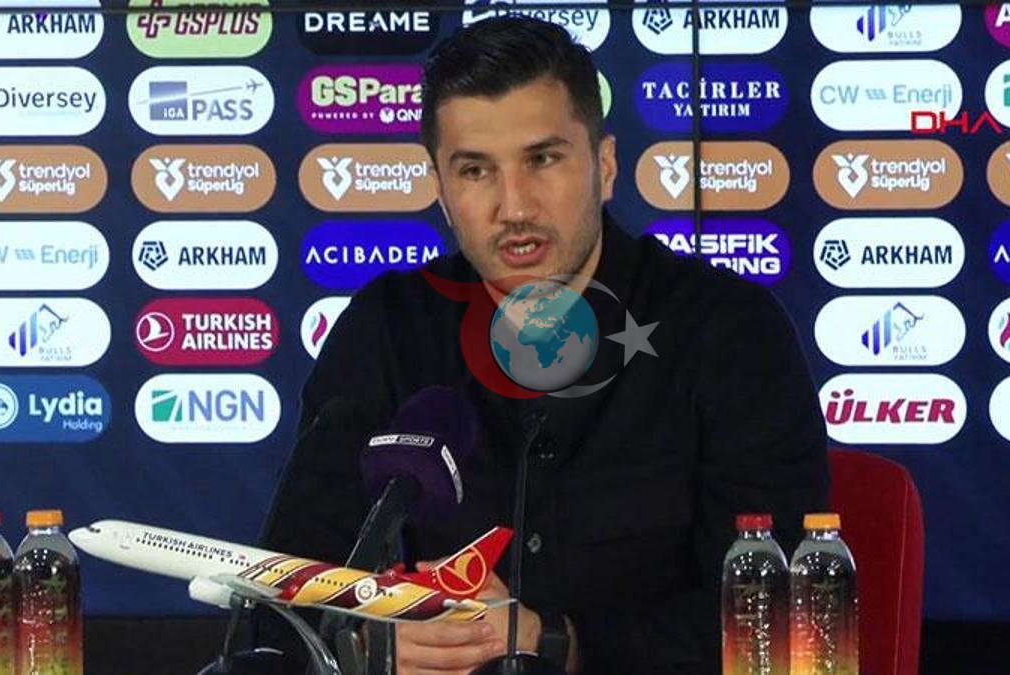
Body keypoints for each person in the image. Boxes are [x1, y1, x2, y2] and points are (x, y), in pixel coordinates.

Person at [259, 16, 828, 674]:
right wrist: (365, 642)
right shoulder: (386, 327)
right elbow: (288, 586)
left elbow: (773, 618)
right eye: (476, 170)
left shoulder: (728, 328)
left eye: (543, 159)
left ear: (605, 166)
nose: (515, 207)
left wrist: (554, 640)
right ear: (440, 189)